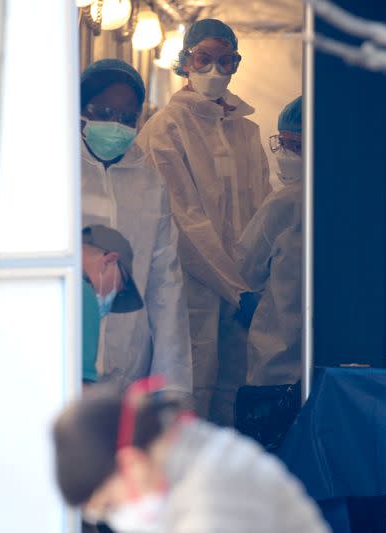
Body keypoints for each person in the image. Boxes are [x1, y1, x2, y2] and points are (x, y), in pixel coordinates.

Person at [135, 19, 271, 424]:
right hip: (190, 288)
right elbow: (184, 221)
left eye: (225, 61)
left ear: (236, 64)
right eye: (203, 59)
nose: (215, 70)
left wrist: (253, 284)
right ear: (184, 63)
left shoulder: (246, 132)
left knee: (235, 391)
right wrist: (236, 289)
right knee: (190, 390)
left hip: (244, 293)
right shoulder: (165, 130)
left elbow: (261, 212)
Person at [52, 379, 330, 533]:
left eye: (110, 503)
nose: (116, 519)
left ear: (131, 462)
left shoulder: (213, 493)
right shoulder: (182, 451)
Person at [80, 59, 191, 394]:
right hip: (62, 351)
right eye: (103, 112)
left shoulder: (148, 181)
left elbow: (165, 283)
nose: (116, 124)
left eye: (127, 118)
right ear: (80, 110)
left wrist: (171, 385)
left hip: (128, 353)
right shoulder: (57, 170)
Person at [235, 96, 303, 386]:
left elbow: (246, 269)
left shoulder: (285, 202)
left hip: (277, 362)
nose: (286, 154)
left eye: (297, 146)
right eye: (284, 144)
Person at [81, 224, 144, 386]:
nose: (113, 296)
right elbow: (81, 388)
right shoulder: (84, 296)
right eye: (119, 287)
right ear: (109, 261)